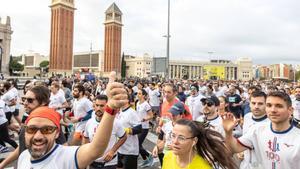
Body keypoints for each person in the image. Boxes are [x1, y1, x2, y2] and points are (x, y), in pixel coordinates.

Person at [17, 71, 128, 169]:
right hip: (79, 128)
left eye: (47, 130)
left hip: (102, 154)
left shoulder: (66, 157)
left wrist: (110, 109)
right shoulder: (24, 157)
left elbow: (96, 149)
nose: (38, 136)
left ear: (56, 133)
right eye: (31, 129)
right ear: (25, 132)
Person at [222, 91, 300, 169]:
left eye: (279, 106)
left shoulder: (297, 137)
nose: (273, 110)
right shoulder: (257, 129)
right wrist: (228, 132)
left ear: (290, 110)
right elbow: (235, 148)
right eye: (269, 105)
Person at [0, 85, 67, 168]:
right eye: (24, 99)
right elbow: (22, 147)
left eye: (30, 100)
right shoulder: (29, 118)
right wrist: (3, 164)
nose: (25, 103)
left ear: (43, 102)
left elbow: (64, 149)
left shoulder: (48, 123)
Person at [162, 119, 237, 169]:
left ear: (194, 141)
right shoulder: (167, 156)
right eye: (173, 135)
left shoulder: (203, 167)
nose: (175, 141)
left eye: (181, 138)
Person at [83, 95, 127, 169]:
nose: (99, 108)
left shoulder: (115, 122)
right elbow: (85, 139)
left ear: (107, 106)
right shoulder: (89, 122)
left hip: (109, 163)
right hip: (93, 163)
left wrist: (112, 151)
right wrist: (87, 156)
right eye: (97, 105)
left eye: (102, 106)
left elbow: (123, 137)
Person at [239, 91, 270, 169]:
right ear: (249, 104)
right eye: (253, 103)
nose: (256, 106)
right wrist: (241, 151)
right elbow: (244, 138)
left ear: (266, 105)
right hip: (245, 164)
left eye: (260, 103)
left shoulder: (271, 123)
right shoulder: (247, 117)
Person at [116, 93, 142, 169]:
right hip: (119, 148)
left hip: (130, 150)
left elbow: (139, 128)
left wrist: (127, 130)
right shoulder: (120, 111)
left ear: (127, 100)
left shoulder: (132, 112)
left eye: (122, 99)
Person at [136, 89, 154, 167]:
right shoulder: (137, 103)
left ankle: (149, 156)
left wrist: (144, 119)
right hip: (138, 127)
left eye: (139, 94)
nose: (138, 95)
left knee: (137, 144)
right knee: (138, 145)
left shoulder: (146, 105)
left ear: (143, 95)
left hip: (144, 128)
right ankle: (145, 160)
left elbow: (151, 115)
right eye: (137, 93)